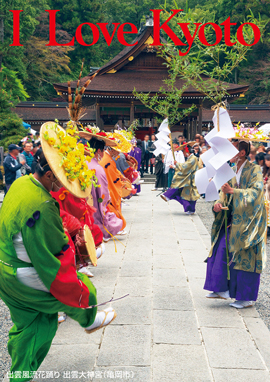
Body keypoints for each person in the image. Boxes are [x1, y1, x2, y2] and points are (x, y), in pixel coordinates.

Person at [0, 151, 116, 382]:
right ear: (49, 174)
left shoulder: (23, 182)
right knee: (79, 290)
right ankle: (88, 318)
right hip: (24, 274)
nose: (64, 184)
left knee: (31, 323)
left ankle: (18, 374)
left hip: (5, 267)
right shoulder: (42, 204)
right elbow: (53, 256)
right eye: (61, 178)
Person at [204, 140, 267, 309]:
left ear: (242, 153)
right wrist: (218, 205)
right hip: (234, 219)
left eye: (230, 151)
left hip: (250, 221)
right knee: (220, 249)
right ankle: (221, 288)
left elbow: (256, 192)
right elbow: (225, 196)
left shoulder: (254, 170)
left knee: (245, 258)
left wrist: (233, 191)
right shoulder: (232, 171)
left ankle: (246, 298)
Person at [86, 136, 124, 242]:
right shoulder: (98, 169)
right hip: (95, 202)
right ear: (99, 151)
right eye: (102, 151)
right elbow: (103, 193)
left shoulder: (82, 164)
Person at [161, 145, 201, 214]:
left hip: (191, 178)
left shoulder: (193, 158)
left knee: (189, 193)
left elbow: (186, 166)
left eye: (184, 151)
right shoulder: (191, 158)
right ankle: (189, 209)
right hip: (189, 177)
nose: (184, 153)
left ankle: (190, 209)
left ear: (187, 151)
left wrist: (177, 164)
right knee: (186, 193)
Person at [99, 146, 127, 235]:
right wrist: (122, 183)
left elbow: (114, 171)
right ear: (112, 150)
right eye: (117, 151)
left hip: (106, 186)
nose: (118, 154)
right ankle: (115, 228)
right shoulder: (108, 161)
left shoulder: (108, 158)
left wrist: (121, 176)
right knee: (112, 208)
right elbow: (112, 178)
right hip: (110, 187)